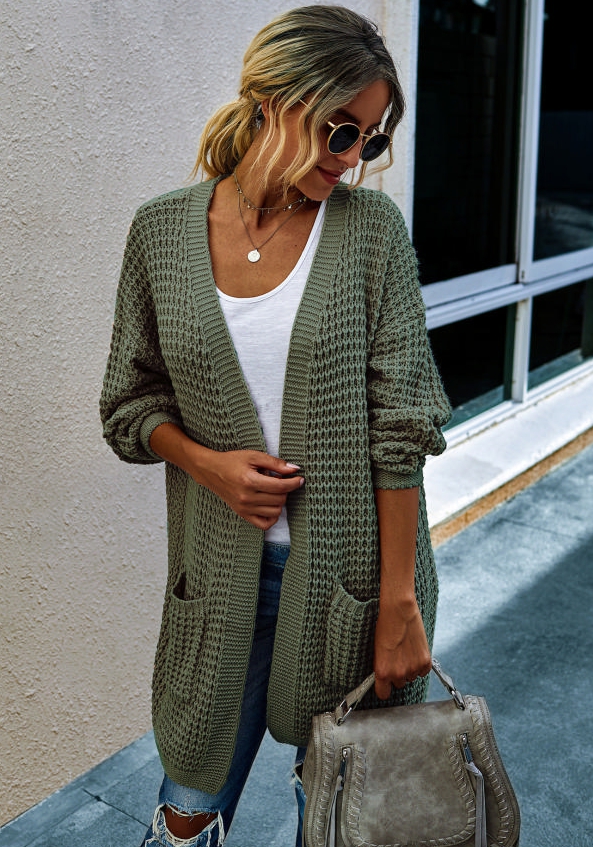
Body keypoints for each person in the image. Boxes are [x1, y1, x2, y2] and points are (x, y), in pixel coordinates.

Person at [100, 6, 451, 846]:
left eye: (368, 138)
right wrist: (207, 464)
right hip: (219, 583)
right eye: (339, 130)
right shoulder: (160, 232)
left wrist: (399, 602)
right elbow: (128, 404)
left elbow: (402, 426)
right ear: (273, 101)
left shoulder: (370, 233)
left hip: (355, 586)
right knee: (185, 812)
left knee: (341, 819)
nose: (350, 157)